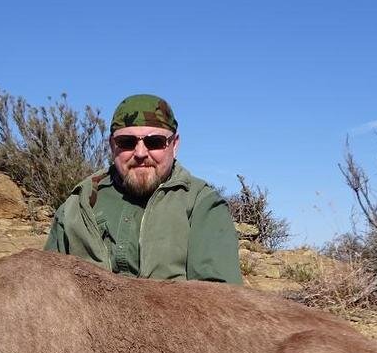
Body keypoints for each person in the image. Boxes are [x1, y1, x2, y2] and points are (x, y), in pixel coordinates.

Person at [45, 94, 242, 283]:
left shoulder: (203, 205)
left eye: (154, 142)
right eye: (126, 142)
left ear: (175, 145)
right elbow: (46, 291)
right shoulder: (78, 206)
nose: (140, 153)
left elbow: (220, 301)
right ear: (112, 146)